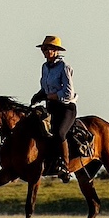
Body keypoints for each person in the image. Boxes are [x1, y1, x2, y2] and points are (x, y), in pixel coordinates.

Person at [29, 35, 77, 182]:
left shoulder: (64, 67)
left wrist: (51, 96)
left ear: (56, 50)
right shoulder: (44, 67)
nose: (45, 51)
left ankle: (65, 167)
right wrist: (39, 95)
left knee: (60, 133)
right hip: (51, 107)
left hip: (66, 108)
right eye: (44, 49)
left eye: (48, 48)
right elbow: (45, 88)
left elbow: (68, 93)